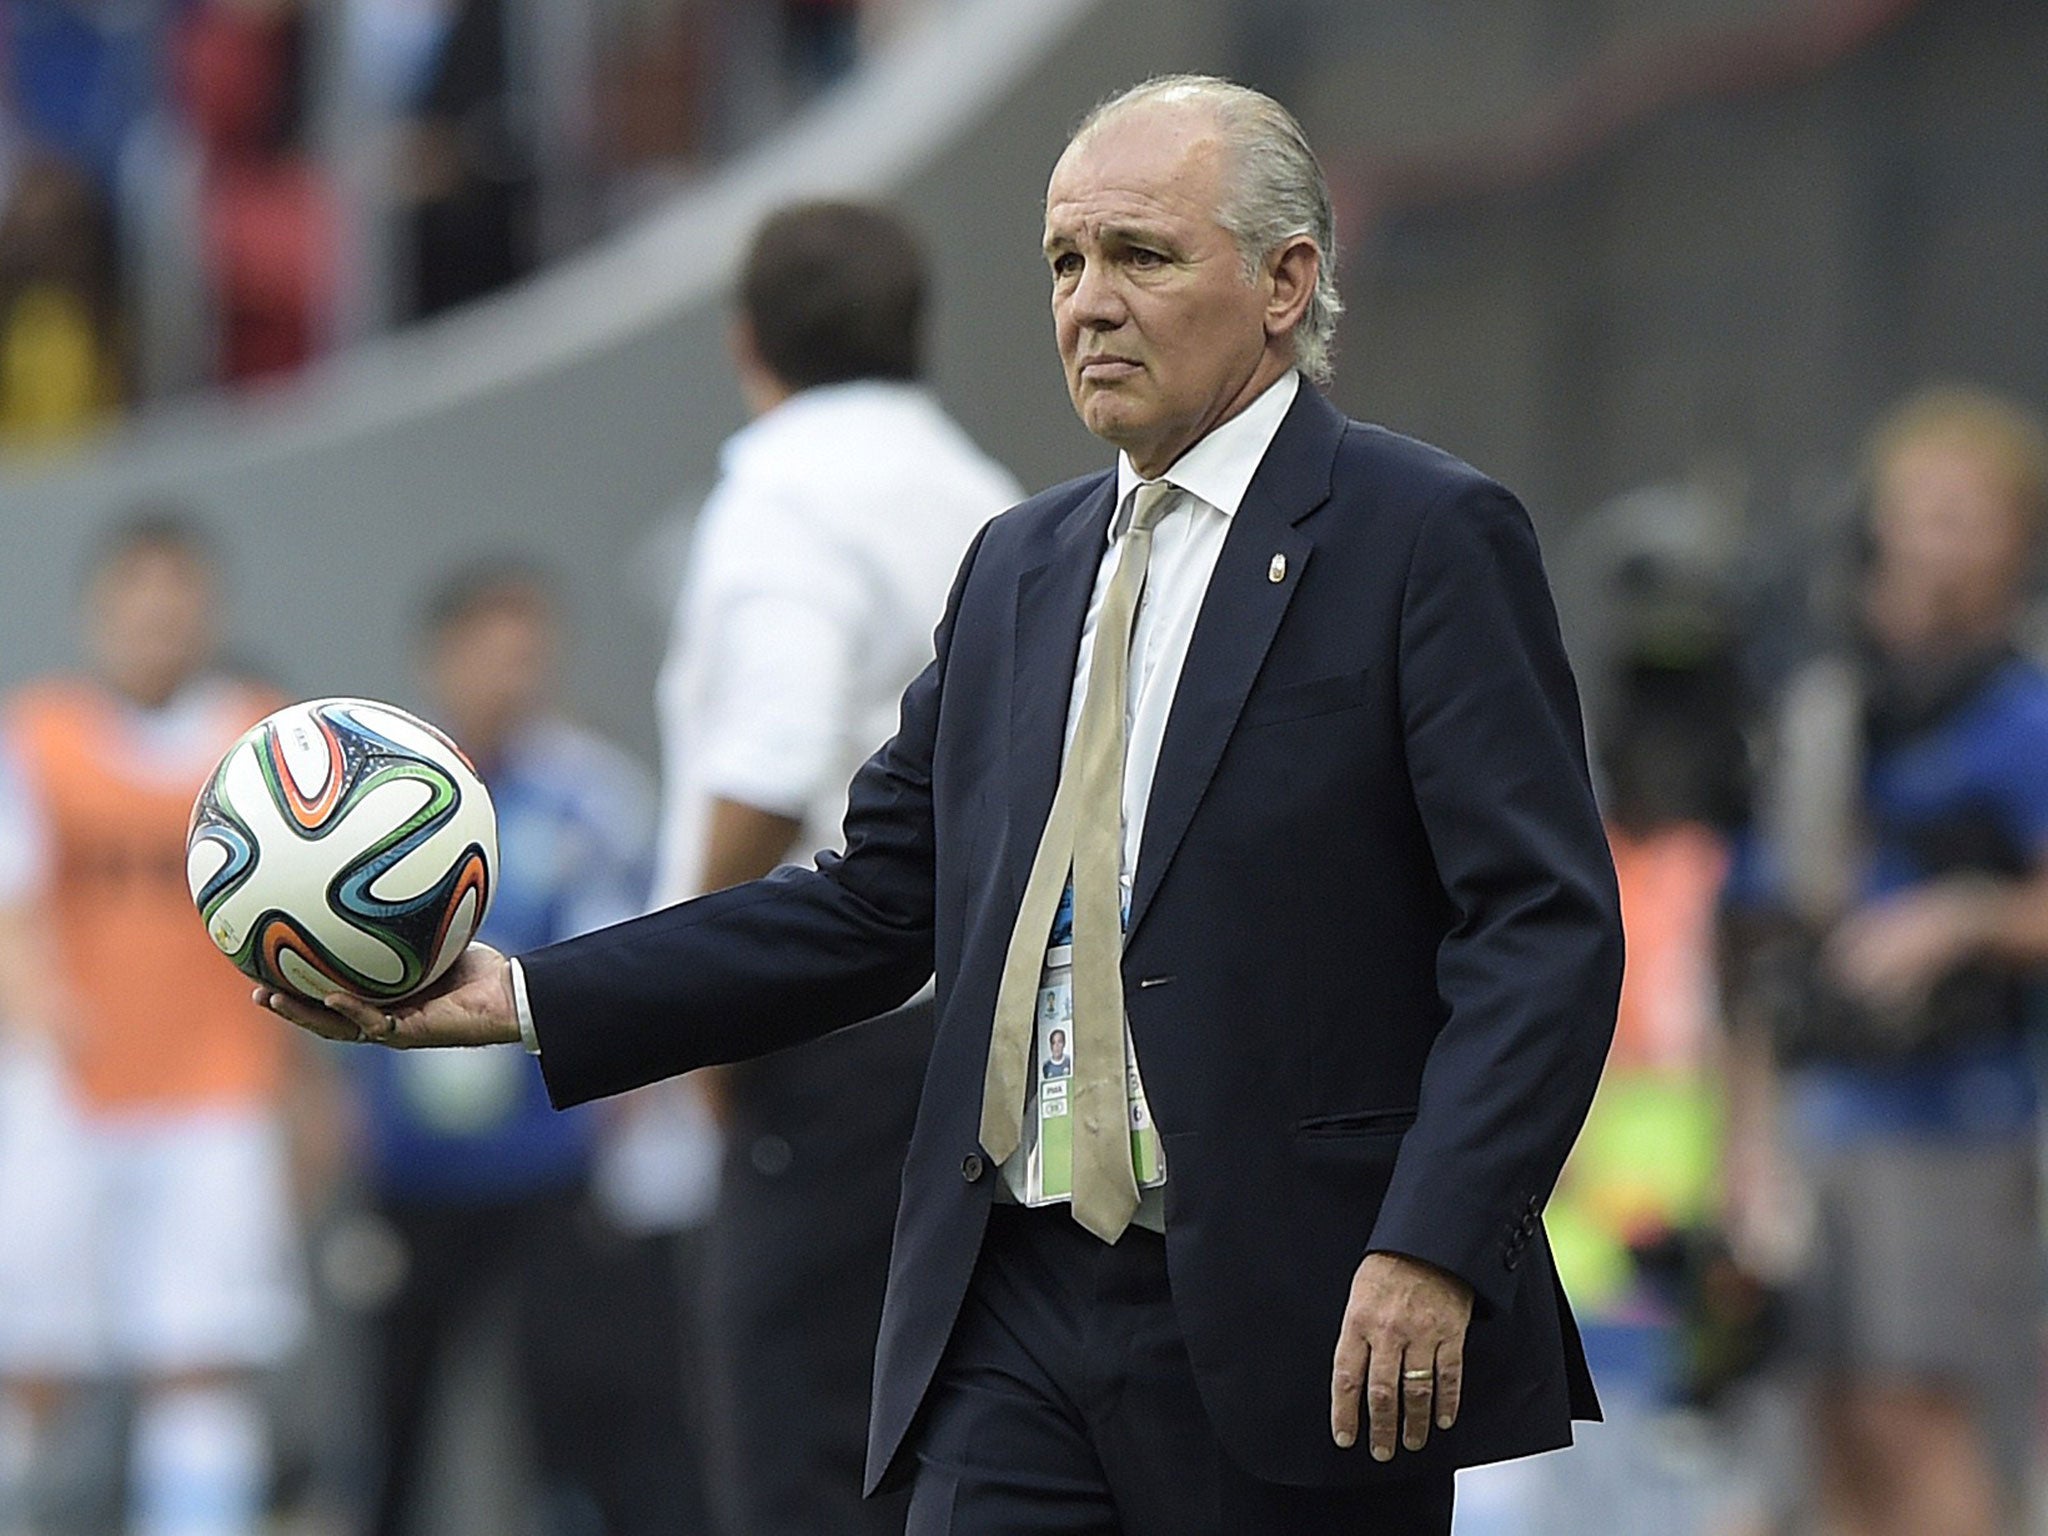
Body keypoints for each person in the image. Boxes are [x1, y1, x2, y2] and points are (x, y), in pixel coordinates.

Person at [267, 75, 1623, 1536]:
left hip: (1295, 1309)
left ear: (1288, 282)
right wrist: (529, 995)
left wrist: (1435, 1240)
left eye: (1141, 256)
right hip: (1012, 1305)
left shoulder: (1423, 536)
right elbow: (869, 904)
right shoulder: (1018, 567)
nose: (1087, 304)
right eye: (1063, 260)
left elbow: (1544, 930)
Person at [652, 199, 1021, 1536]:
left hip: (829, 1037)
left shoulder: (780, 497)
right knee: (947, 1457)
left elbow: (765, 762)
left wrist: (701, 1003)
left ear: (748, 340)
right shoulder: (984, 494)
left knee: (800, 1462)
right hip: (982, 1033)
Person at [1720, 384, 2048, 1536]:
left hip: (1953, 1123)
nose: (1930, 539)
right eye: (1916, 511)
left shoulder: (2017, 714)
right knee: (1817, 1423)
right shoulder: (1826, 703)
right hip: (1819, 1116)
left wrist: (1961, 916)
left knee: (1923, 1412)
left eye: (1963, 514)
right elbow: (1768, 937)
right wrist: (1744, 1140)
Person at [351, 561, 711, 1536]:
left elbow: (633, 968)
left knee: (580, 1407)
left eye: (529, 655)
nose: (513, 677)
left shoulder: (592, 797)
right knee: (391, 1420)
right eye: (491, 653)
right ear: (440, 657)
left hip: (553, 1169)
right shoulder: (370, 801)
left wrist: (614, 1130)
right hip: (414, 1173)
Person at [0, 512, 304, 1536]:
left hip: (215, 1095)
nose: (157, 616)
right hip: (67, 1099)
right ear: (97, 611)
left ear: (207, 609)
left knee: (202, 1361)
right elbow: (10, 920)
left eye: (177, 593)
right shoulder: (35, 736)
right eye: (137, 594)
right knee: (36, 1367)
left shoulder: (270, 745)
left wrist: (309, 1092)